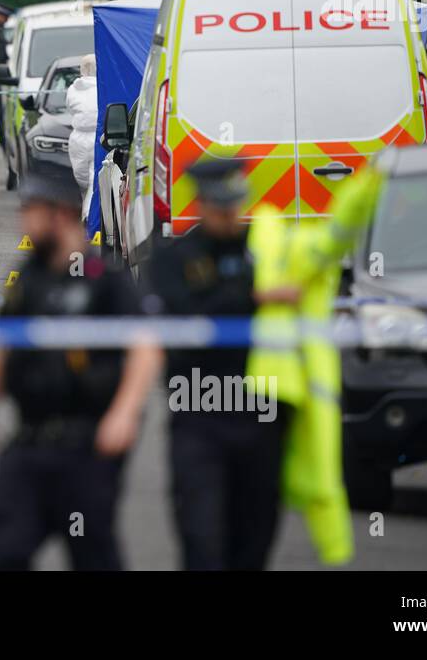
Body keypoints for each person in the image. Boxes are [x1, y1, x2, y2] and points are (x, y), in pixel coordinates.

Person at [0, 173, 161, 570]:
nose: (24, 224)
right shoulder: (26, 279)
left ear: (61, 215)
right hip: (28, 445)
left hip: (87, 448)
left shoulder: (106, 281)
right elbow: (5, 353)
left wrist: (124, 414)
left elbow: (145, 349)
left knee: (94, 555)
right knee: (1, 554)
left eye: (32, 214)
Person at [144, 159, 296, 570]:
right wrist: (253, 299)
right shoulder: (174, 258)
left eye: (234, 206)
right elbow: (181, 319)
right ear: (201, 205)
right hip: (199, 414)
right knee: (202, 538)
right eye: (219, 208)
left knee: (255, 538)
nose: (229, 216)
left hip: (261, 415)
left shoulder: (263, 252)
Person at [64, 54, 98, 218]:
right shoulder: (103, 86)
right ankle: (88, 214)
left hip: (78, 138)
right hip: (97, 137)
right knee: (93, 178)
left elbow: (70, 108)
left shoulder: (73, 89)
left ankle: (87, 214)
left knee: (83, 179)